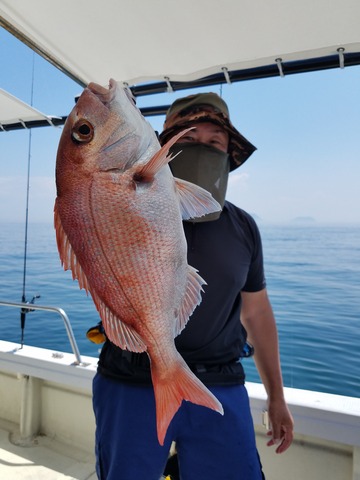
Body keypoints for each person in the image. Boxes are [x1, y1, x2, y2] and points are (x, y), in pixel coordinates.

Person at [91, 92, 294, 480]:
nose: (202, 147)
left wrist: (277, 397)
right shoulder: (123, 202)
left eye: (215, 141)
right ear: (161, 146)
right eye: (186, 137)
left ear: (229, 156)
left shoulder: (244, 228)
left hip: (219, 383)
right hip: (131, 380)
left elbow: (257, 312)